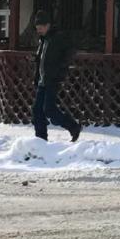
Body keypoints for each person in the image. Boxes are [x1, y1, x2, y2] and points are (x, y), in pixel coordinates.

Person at [31, 11, 81, 142]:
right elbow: (42, 59)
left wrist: (60, 68)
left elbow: (70, 52)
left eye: (41, 28)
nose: (39, 30)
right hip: (42, 79)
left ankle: (73, 127)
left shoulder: (58, 38)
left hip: (52, 79)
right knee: (37, 110)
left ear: (48, 25)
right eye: (37, 28)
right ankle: (40, 139)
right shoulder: (43, 40)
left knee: (49, 110)